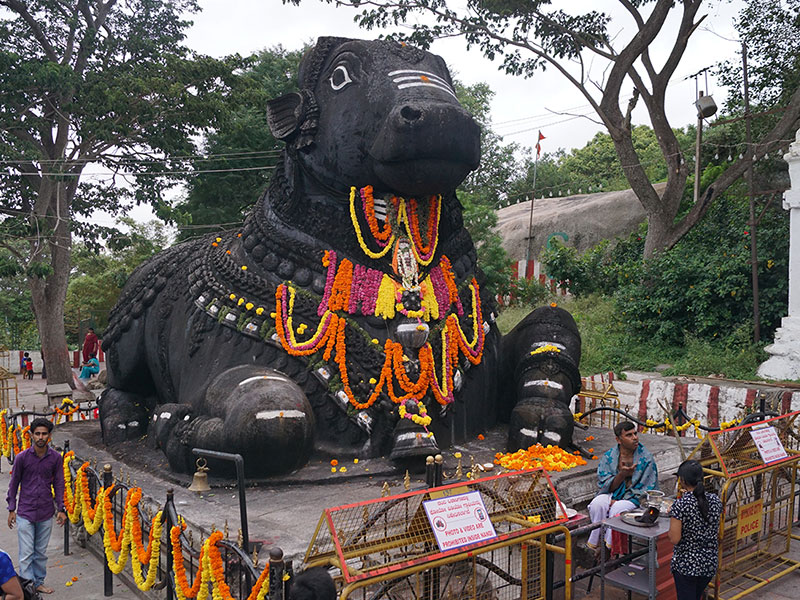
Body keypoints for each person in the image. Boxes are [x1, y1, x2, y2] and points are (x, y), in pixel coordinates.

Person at [581, 421, 659, 562]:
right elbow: (606, 486)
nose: (635, 437)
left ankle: (607, 548)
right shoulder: (609, 457)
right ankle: (593, 543)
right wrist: (622, 474)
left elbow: (647, 490)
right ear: (618, 439)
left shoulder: (646, 458)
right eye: (629, 435)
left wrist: (619, 500)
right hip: (613, 493)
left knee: (617, 508)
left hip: (634, 498)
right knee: (597, 503)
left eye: (635, 433)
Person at [6, 418, 66, 595]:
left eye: (44, 434)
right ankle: (27, 589)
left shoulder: (55, 458)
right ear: (31, 435)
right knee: (26, 554)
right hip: (25, 511)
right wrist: (11, 509)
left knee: (40, 553)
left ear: (49, 436)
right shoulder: (22, 458)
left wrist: (61, 509)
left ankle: (38, 582)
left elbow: (60, 484)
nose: (41, 437)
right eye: (37, 433)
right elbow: (14, 483)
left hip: (46, 512)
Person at [669, 460, 722, 600]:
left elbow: (674, 538)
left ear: (683, 481)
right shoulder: (715, 500)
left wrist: (673, 514)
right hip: (708, 563)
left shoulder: (681, 505)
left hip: (687, 566)